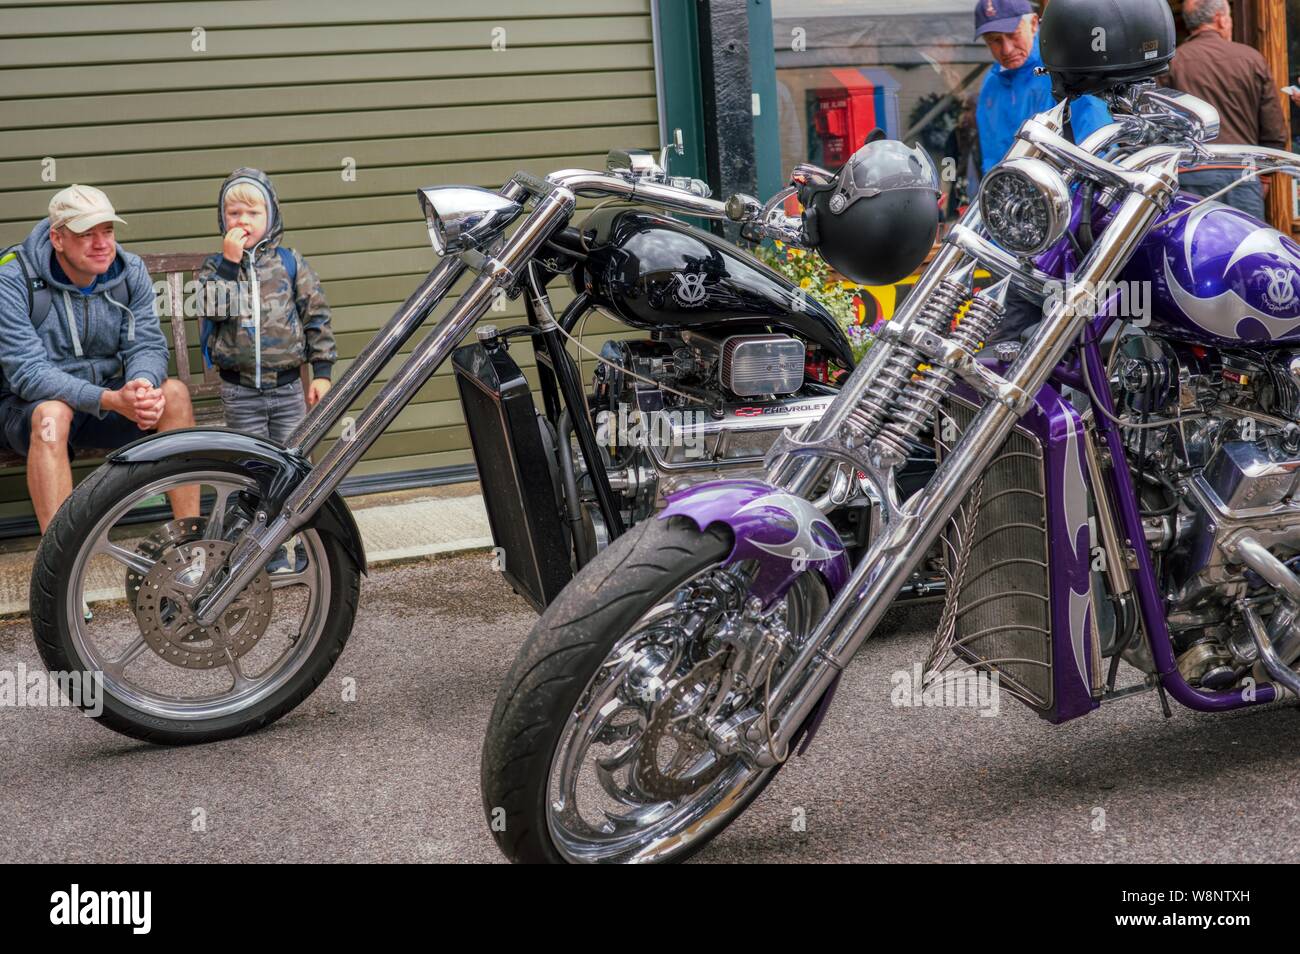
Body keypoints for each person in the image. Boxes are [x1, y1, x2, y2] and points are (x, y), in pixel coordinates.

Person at [0, 185, 197, 532]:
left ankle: (192, 542)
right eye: (86, 234)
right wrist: (109, 400)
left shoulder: (128, 270)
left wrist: (140, 386)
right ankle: (58, 563)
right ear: (57, 238)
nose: (102, 243)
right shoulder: (13, 277)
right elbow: (28, 373)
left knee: (174, 394)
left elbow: (147, 345)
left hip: (103, 401)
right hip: (27, 408)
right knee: (51, 416)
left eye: (107, 230)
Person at [193, 168, 336, 571]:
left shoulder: (290, 263)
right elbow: (209, 311)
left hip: (289, 389)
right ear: (223, 221)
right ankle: (263, 554)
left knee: (297, 467)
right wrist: (227, 264)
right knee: (253, 475)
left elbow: (317, 317)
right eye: (234, 213)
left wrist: (321, 371)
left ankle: (312, 549)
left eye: (252, 213)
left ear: (271, 216)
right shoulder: (215, 268)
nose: (243, 221)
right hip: (240, 393)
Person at [1164, 0, 1287, 220]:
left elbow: (1159, 125)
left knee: (1195, 248)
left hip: (1190, 174)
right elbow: (1274, 130)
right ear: (1221, 19)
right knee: (1244, 249)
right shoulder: (1251, 59)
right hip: (1242, 174)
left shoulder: (1173, 62)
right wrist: (1266, 177)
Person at [974, 0, 1112, 178]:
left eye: (1013, 34)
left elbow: (1099, 153)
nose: (1007, 49)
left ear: (1033, 23)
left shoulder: (1067, 69)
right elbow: (991, 159)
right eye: (995, 40)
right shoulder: (990, 86)